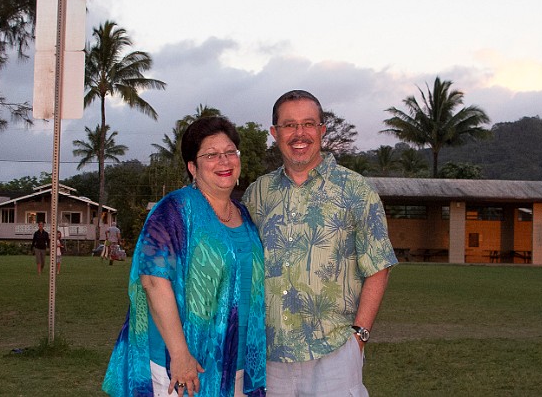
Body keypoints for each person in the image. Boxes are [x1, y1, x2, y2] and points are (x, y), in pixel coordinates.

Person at [243, 90, 398, 396]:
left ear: (322, 130)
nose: (299, 133)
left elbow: (379, 266)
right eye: (289, 125)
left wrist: (359, 338)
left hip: (335, 352)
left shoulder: (356, 190)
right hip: (270, 356)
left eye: (308, 124)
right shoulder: (257, 193)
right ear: (274, 133)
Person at [103, 116, 266, 397]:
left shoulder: (245, 216)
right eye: (211, 155)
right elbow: (154, 281)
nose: (224, 161)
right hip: (183, 363)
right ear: (193, 167)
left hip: (233, 359)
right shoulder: (175, 210)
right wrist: (180, 355)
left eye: (230, 152)